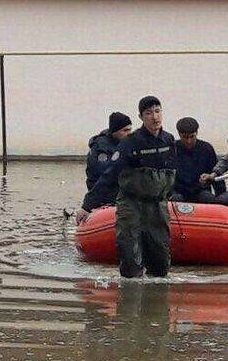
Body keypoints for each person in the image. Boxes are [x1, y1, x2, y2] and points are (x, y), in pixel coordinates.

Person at [76, 96, 177, 278]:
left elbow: (174, 173)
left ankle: (157, 302)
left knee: (160, 259)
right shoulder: (131, 142)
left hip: (158, 205)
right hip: (132, 205)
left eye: (157, 111)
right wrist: (87, 205)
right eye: (148, 113)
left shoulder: (168, 140)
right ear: (141, 117)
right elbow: (110, 175)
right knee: (130, 258)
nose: (154, 117)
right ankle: (129, 298)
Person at [172, 117, 226, 203]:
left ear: (196, 133)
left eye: (192, 136)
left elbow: (216, 175)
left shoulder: (206, 149)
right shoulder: (172, 149)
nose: (189, 141)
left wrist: (221, 200)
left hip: (200, 191)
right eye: (185, 137)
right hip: (178, 192)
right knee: (174, 200)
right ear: (179, 134)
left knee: (210, 200)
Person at [86, 112, 133, 191]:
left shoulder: (124, 143)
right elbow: (106, 175)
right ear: (115, 132)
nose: (129, 134)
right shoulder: (101, 149)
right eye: (125, 130)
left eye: (130, 130)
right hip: (103, 194)